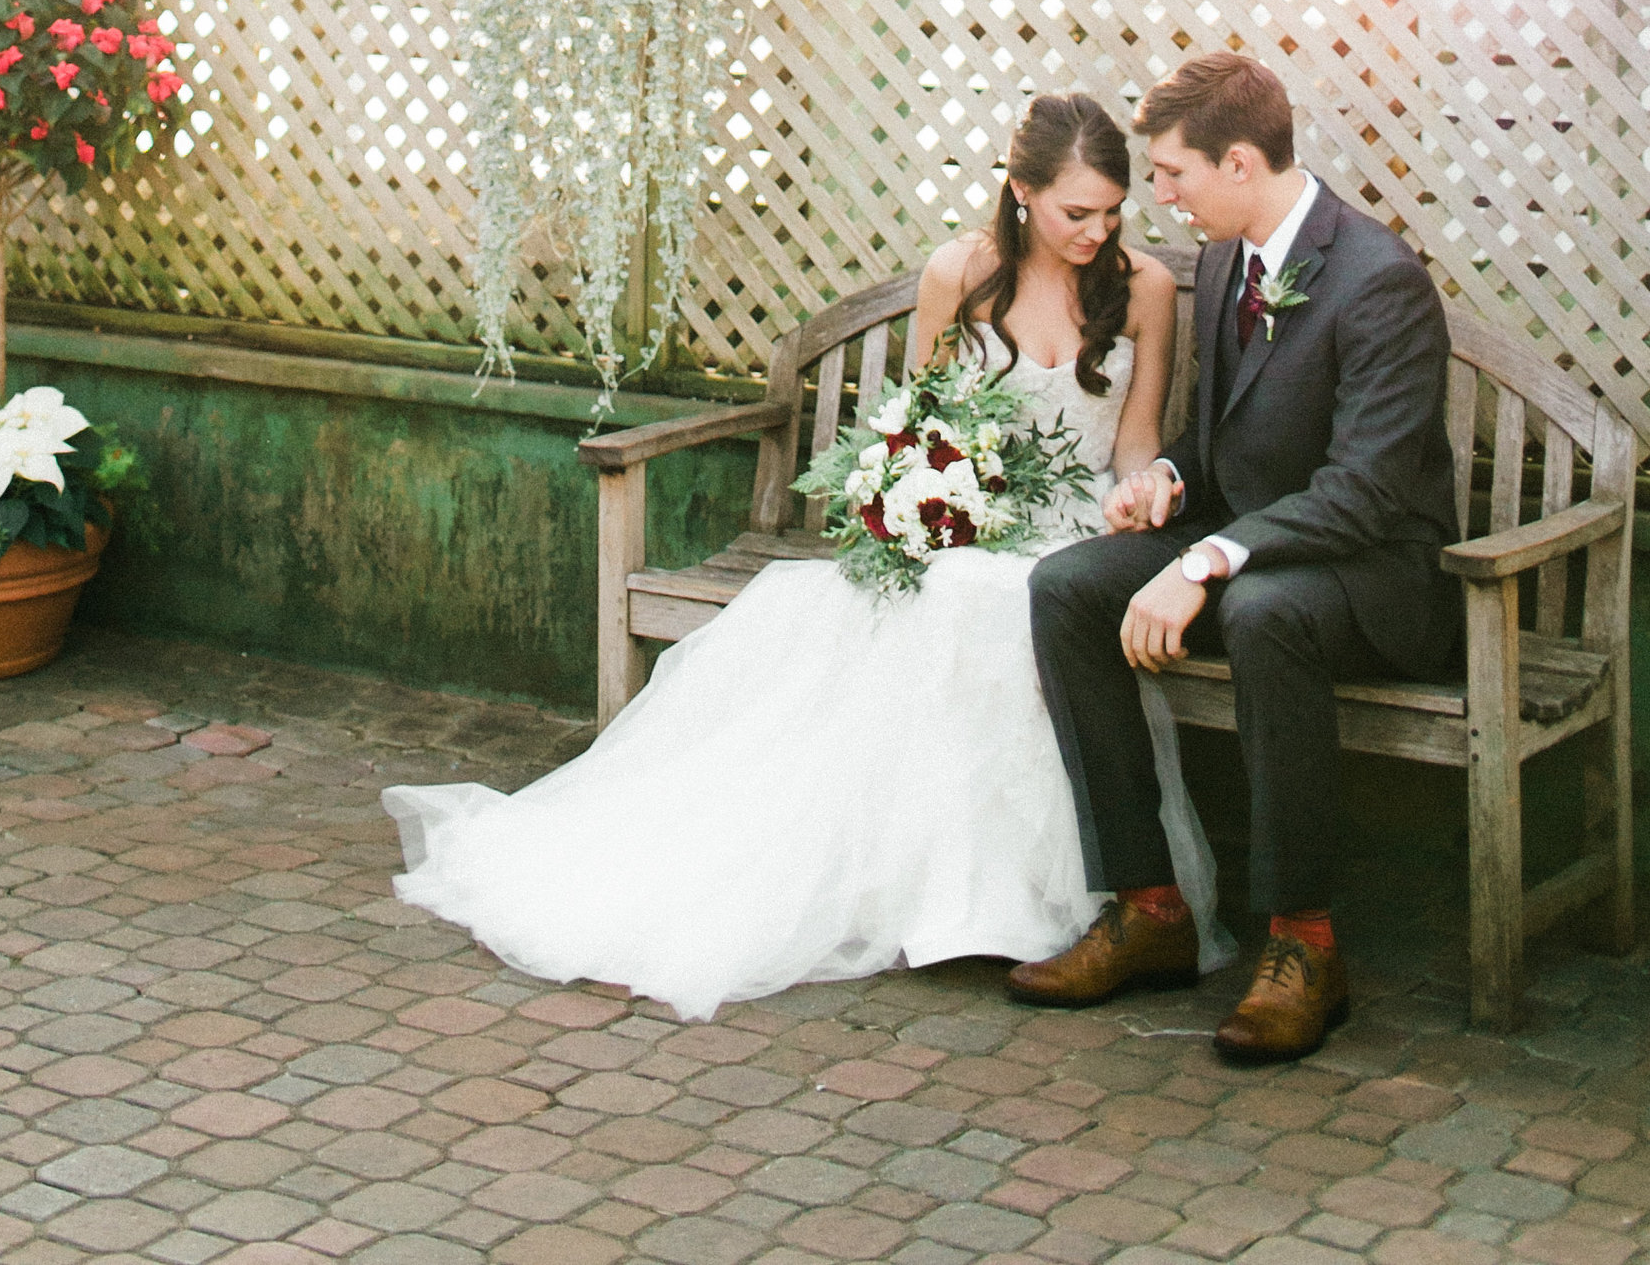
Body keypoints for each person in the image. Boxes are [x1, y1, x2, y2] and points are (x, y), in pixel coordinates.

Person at [384, 93, 1229, 1022]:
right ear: (1022, 192)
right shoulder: (961, 273)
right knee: (954, 598)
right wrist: (934, 502)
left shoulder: (1142, 289)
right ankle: (925, 890)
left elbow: (1138, 442)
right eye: (1079, 212)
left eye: (1114, 212)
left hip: (1074, 531)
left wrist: (1141, 491)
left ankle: (1030, 905)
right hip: (972, 523)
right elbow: (924, 430)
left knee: (1025, 603)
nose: (1099, 231)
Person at [1021, 50, 1461, 1066]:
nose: (1157, 196)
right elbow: (1225, 446)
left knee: (1267, 614)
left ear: (1238, 162)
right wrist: (1168, 483)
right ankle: (1146, 909)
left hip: (1374, 578)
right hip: (1260, 556)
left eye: (1171, 174)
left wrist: (1210, 559)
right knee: (1068, 587)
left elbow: (1364, 492)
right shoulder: (1225, 262)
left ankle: (1304, 947)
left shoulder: (1378, 281)